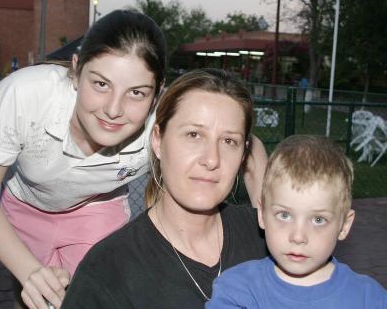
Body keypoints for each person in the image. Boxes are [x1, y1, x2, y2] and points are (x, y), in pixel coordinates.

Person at [0, 10, 167, 309]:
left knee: (87, 300)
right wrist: (29, 271)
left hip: (95, 209)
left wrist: (263, 203)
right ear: (76, 69)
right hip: (25, 206)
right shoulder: (26, 94)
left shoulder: (164, 126)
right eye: (100, 84)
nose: (113, 109)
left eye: (136, 92)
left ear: (157, 93)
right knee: (33, 298)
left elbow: (240, 138)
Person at [61, 68, 268, 308]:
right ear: (158, 140)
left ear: (243, 153)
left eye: (229, 141)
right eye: (194, 134)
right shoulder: (109, 269)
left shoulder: (269, 239)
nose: (212, 159)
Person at [207, 135, 387, 308]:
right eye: (284, 215)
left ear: (344, 225)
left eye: (318, 220)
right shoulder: (236, 292)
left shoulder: (370, 299)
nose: (298, 236)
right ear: (262, 215)